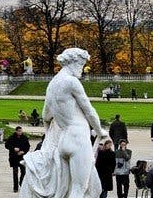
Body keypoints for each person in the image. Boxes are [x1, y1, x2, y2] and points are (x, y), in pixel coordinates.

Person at [20, 48, 107, 197]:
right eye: (81, 65)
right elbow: (89, 110)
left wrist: (49, 134)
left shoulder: (52, 84)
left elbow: (45, 115)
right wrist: (100, 131)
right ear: (72, 63)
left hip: (64, 141)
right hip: (78, 138)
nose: (82, 69)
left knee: (67, 188)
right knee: (80, 189)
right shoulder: (71, 82)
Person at [5, 126, 30, 192]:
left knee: (23, 171)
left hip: (22, 157)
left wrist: (23, 151)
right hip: (14, 157)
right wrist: (13, 148)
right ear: (16, 131)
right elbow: (6, 145)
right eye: (19, 131)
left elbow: (28, 146)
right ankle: (15, 188)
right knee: (15, 172)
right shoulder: (11, 137)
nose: (20, 132)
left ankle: (21, 182)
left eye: (21, 131)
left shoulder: (24, 138)